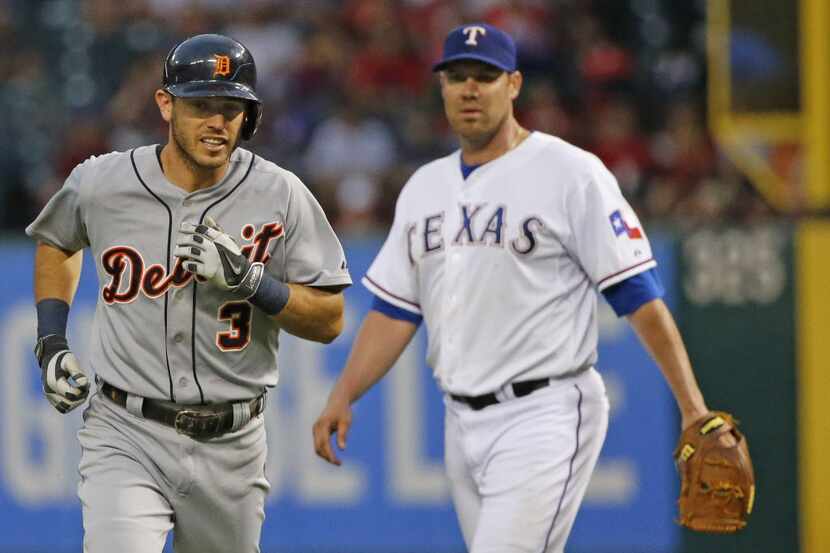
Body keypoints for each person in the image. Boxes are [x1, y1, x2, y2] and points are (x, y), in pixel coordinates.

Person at [313, 23, 718, 552]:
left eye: (485, 76)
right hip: (460, 420)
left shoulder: (571, 173)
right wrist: (344, 394)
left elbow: (638, 295)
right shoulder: (424, 188)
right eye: (457, 76)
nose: (470, 89)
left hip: (545, 412)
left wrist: (693, 408)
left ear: (515, 85)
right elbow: (394, 310)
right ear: (441, 88)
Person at [27, 34, 351, 553]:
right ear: (165, 104)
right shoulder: (102, 183)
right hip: (125, 430)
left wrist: (254, 283)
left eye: (231, 108)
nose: (217, 122)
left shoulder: (280, 192)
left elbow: (329, 317)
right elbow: (57, 241)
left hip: (234, 443)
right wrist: (50, 340)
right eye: (201, 105)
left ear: (250, 116)